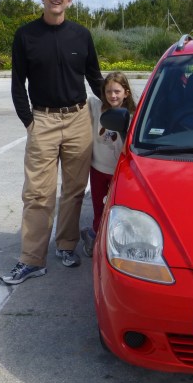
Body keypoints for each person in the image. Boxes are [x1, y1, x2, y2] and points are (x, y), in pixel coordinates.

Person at [1, 0, 103, 285]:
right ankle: (32, 259)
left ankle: (67, 246)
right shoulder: (26, 35)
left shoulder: (81, 35)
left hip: (77, 119)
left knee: (73, 192)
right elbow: (18, 84)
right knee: (37, 194)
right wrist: (29, 122)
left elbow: (95, 78)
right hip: (42, 120)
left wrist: (125, 106)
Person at [80, 71, 136, 256]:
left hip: (120, 172)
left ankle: (118, 243)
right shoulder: (97, 107)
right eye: (109, 91)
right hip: (98, 169)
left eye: (117, 91)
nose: (113, 95)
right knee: (99, 207)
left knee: (119, 210)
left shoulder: (133, 115)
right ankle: (96, 238)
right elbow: (81, 93)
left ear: (126, 93)